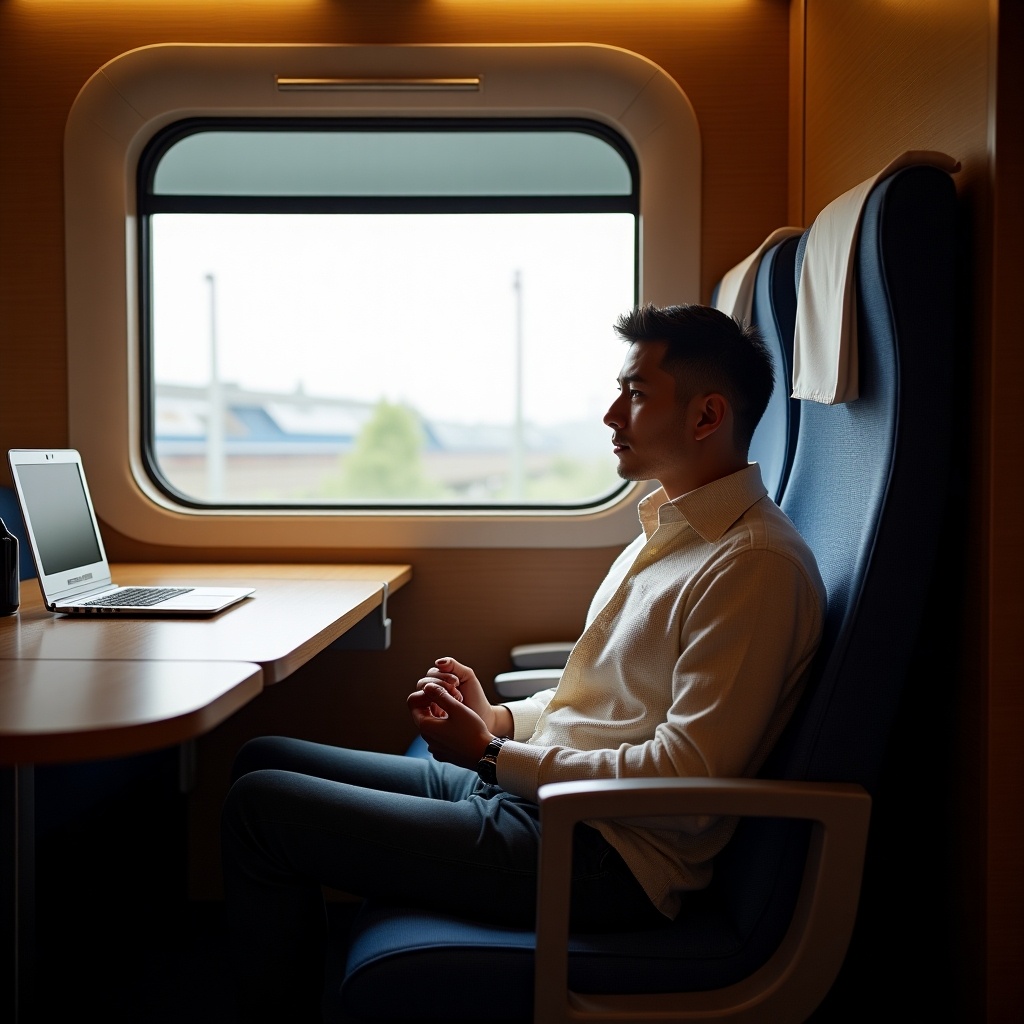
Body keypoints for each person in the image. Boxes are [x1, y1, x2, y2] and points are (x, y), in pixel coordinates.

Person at [220, 303, 826, 1022]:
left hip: (602, 855)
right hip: (540, 803)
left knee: (262, 811)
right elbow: (600, 697)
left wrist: (492, 753)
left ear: (706, 416)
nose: (610, 413)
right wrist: (500, 717)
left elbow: (687, 777)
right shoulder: (670, 529)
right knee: (260, 756)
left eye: (634, 393)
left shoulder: (752, 565)